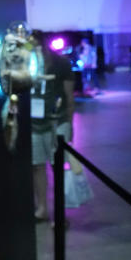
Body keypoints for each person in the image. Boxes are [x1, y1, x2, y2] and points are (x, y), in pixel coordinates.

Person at [30, 32, 75, 222]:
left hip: (57, 120)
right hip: (34, 122)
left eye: (36, 45)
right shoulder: (27, 63)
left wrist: (70, 123)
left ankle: (60, 213)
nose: (34, 49)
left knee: (57, 167)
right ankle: (42, 208)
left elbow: (69, 95)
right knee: (37, 166)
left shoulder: (61, 63)